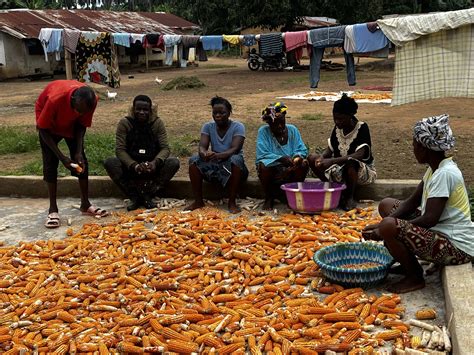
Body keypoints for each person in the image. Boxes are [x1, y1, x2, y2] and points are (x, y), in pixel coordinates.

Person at [363, 114, 473, 293]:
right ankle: (407, 263)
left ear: (424, 148)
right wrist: (380, 225)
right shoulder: (435, 169)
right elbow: (410, 202)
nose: (413, 149)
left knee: (390, 226)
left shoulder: (445, 174)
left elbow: (430, 219)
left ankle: (414, 277)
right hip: (441, 233)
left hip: (457, 247)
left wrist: (387, 229)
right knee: (386, 205)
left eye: (414, 145)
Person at [35, 80, 107, 228]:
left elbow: (81, 125)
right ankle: (53, 209)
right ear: (73, 100)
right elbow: (43, 129)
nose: (80, 114)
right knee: (50, 163)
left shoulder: (90, 101)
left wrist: (78, 151)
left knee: (82, 162)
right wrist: (62, 158)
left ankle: (85, 204)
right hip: (49, 124)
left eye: (83, 112)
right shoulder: (55, 99)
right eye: (78, 110)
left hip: (72, 125)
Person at [104, 95, 180, 211]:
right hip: (131, 166)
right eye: (138, 109)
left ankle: (149, 193)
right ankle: (133, 195)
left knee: (173, 163)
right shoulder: (125, 123)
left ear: (150, 110)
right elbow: (120, 150)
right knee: (110, 162)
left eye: (145, 110)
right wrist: (134, 165)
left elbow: (165, 148)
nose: (141, 112)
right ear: (133, 109)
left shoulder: (157, 123)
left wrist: (154, 163)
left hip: (151, 166)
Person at [308, 94, 376, 211]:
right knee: (311, 158)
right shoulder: (338, 128)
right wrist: (322, 157)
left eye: (340, 119)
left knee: (351, 163)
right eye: (335, 118)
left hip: (359, 171)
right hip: (340, 169)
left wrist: (332, 161)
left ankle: (349, 197)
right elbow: (331, 149)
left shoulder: (362, 127)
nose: (337, 122)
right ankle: (333, 189)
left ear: (350, 116)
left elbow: (359, 155)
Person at [185, 96, 248, 213]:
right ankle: (198, 201)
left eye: (222, 113)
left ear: (229, 113)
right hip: (216, 163)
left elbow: (235, 148)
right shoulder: (208, 126)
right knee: (194, 160)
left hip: (233, 166)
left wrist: (218, 155)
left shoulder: (238, 127)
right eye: (215, 113)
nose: (218, 116)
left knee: (236, 159)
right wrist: (204, 153)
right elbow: (202, 146)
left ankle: (232, 202)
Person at [256, 102, 309, 210]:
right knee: (263, 165)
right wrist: (281, 159)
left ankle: (293, 196)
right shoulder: (263, 131)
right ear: (269, 123)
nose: (279, 126)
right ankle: (269, 198)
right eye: (275, 123)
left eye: (282, 122)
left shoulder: (292, 130)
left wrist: (295, 160)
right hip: (273, 169)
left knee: (303, 164)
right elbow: (262, 153)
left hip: (291, 168)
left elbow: (301, 149)